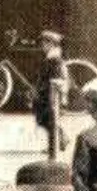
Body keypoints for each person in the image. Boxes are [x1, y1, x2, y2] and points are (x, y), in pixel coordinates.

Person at [33, 30, 67, 159]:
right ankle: (61, 139)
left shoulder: (55, 59)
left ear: (51, 44)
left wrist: (43, 88)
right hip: (45, 92)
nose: (42, 46)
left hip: (50, 93)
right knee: (46, 119)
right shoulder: (50, 58)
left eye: (44, 43)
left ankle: (58, 142)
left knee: (48, 119)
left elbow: (56, 77)